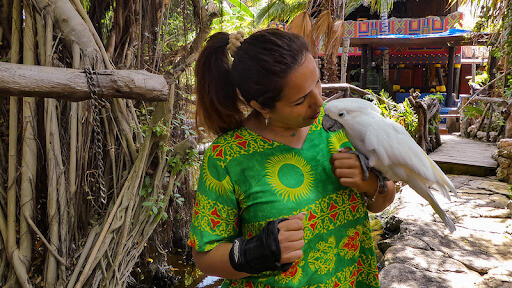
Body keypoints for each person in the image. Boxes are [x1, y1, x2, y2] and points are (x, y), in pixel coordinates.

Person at [188, 28, 396, 288]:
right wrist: (256, 251)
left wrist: (367, 183)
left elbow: (384, 198)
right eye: (300, 101)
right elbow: (204, 256)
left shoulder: (339, 127)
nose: (320, 102)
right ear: (260, 106)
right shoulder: (226, 157)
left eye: (318, 82)